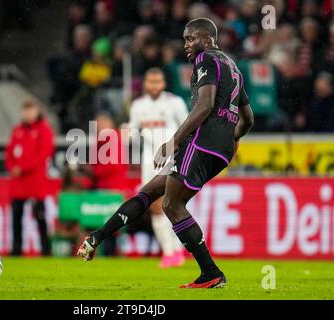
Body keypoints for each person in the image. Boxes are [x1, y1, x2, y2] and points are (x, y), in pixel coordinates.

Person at [78, 18, 254, 289]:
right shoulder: (233, 67)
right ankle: (97, 238)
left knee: (171, 205)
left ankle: (211, 273)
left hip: (201, 143)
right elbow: (248, 119)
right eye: (185, 39)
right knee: (150, 191)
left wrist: (174, 140)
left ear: (207, 38)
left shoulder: (205, 59)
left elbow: (204, 105)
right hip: (220, 150)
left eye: (190, 38)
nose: (186, 45)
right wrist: (232, 139)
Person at [128, 68, 188, 268]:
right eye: (151, 82)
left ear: (163, 84)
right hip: (148, 162)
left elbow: (187, 128)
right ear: (146, 84)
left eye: (158, 81)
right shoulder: (138, 106)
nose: (154, 85)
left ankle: (173, 251)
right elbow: (133, 130)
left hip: (171, 159)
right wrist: (126, 133)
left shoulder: (174, 103)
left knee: (168, 204)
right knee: (155, 207)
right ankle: (173, 252)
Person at [5, 100, 55, 256]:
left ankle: (46, 250)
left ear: (37, 111)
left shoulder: (44, 130)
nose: (28, 114)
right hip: (19, 183)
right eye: (25, 111)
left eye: (30, 110)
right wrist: (12, 166)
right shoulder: (17, 130)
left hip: (35, 182)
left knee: (40, 218)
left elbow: (44, 154)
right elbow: (9, 152)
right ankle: (16, 249)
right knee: (16, 218)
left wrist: (22, 167)